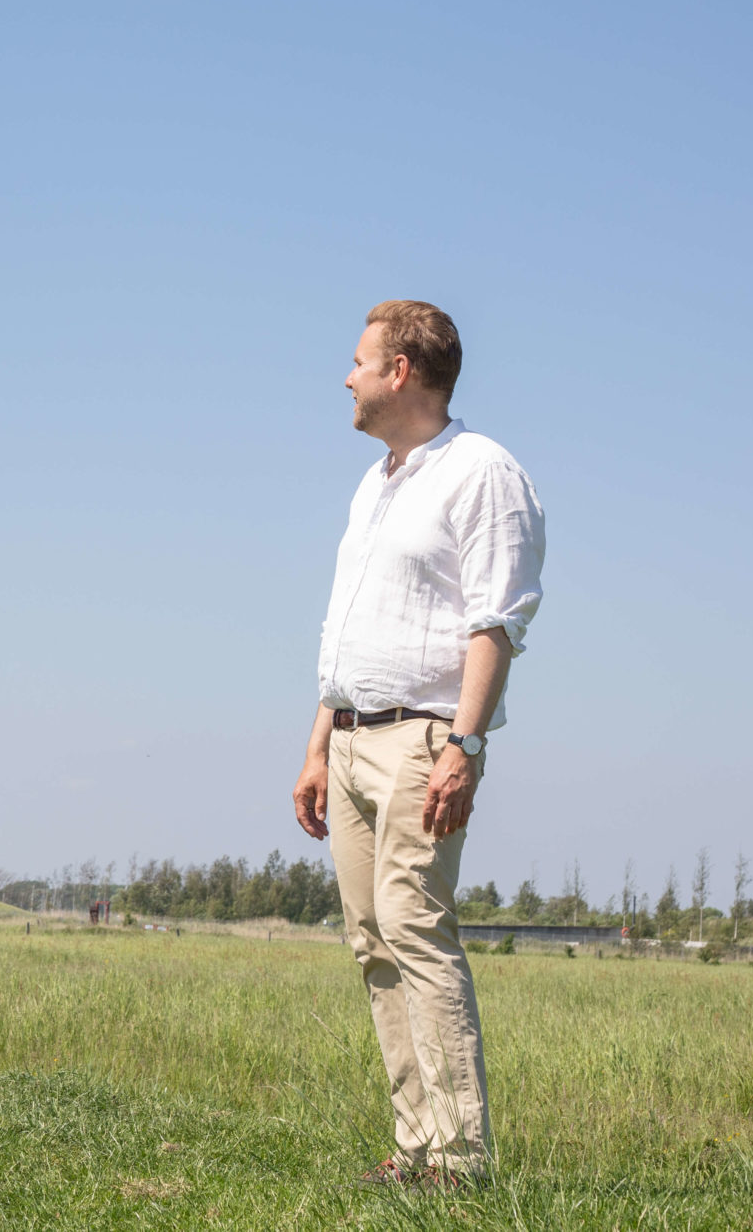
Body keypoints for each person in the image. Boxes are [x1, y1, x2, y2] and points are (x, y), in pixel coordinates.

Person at [291, 300, 544, 1188]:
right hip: (355, 737)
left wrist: (464, 747)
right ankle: (417, 1146)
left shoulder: (482, 472)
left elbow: (496, 619)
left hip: (423, 740)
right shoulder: (377, 482)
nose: (347, 376)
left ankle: (464, 1158)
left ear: (402, 371)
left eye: (359, 360)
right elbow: (349, 628)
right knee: (371, 939)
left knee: (415, 930)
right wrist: (320, 742)